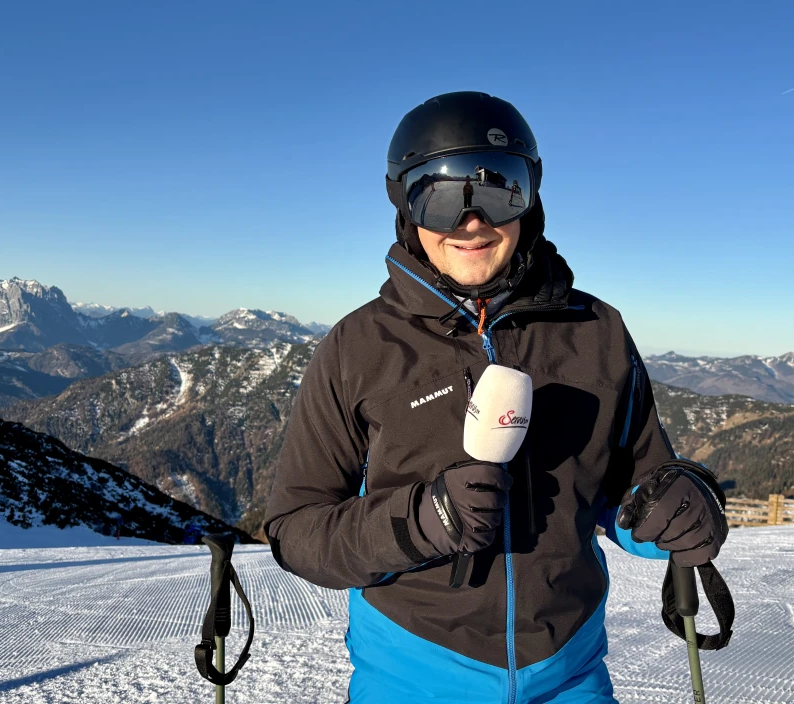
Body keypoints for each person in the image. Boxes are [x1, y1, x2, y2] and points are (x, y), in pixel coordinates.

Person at [265, 91, 728, 703]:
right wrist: (422, 523)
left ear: (530, 196)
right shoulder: (358, 348)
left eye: (496, 189)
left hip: (570, 671)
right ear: (405, 206)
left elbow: (635, 487)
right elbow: (295, 532)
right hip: (414, 672)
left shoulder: (598, 331)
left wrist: (678, 508)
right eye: (439, 195)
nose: (471, 222)